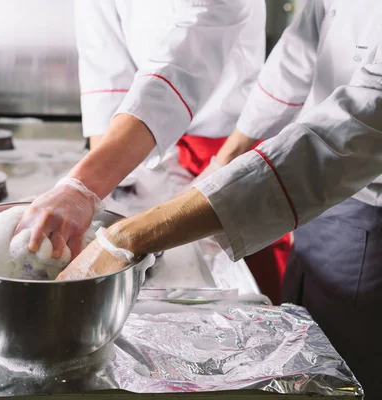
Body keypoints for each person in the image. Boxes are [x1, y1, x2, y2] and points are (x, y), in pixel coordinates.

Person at [56, 15, 382, 399]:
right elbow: (299, 52)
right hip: (313, 182)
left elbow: (352, 130)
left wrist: (128, 234)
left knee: (344, 361)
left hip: (363, 200)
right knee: (305, 317)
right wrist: (231, 154)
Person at [14, 0, 292, 303]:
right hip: (134, 134)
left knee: (244, 276)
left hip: (233, 136)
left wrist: (82, 186)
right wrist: (102, 194)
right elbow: (105, 69)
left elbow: (189, 55)